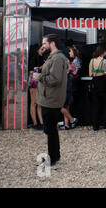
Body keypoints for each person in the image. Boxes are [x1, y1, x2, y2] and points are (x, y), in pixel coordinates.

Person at [35, 34, 67, 169]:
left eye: (44, 43)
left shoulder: (58, 58)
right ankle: (55, 156)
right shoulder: (54, 57)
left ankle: (52, 160)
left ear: (52, 43)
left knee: (50, 131)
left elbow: (55, 79)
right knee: (51, 130)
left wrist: (39, 77)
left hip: (51, 99)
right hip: (49, 98)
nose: (43, 46)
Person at [59, 45, 80, 130]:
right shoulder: (73, 61)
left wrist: (67, 64)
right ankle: (67, 125)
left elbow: (72, 72)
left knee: (60, 105)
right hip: (69, 85)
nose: (69, 53)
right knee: (66, 106)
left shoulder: (76, 61)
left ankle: (72, 120)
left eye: (70, 51)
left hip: (68, 85)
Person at [89, 45, 106, 131]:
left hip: (94, 82)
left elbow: (90, 74)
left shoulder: (92, 61)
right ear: (103, 52)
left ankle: (95, 126)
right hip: (103, 83)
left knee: (95, 105)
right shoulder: (105, 61)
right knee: (105, 104)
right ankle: (105, 124)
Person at [28, 45, 45, 130]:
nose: (43, 51)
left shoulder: (41, 58)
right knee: (34, 102)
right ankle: (35, 123)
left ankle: (41, 122)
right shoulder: (33, 59)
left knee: (39, 103)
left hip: (39, 81)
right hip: (34, 81)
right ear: (37, 50)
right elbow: (31, 71)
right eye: (41, 49)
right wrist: (41, 67)